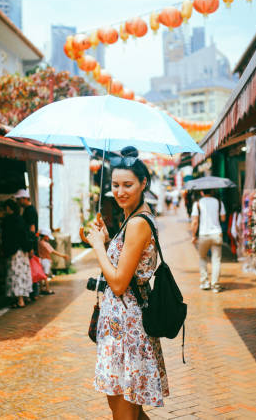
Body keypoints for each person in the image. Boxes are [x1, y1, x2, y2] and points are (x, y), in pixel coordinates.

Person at [84, 146, 168, 419]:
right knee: (128, 411)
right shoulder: (130, 218)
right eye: (115, 185)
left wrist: (97, 246)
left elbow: (119, 283)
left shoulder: (137, 223)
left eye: (128, 185)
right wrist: (107, 241)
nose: (120, 191)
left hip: (127, 330)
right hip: (122, 326)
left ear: (144, 183)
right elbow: (125, 269)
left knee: (123, 413)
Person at [191, 188, 226, 292]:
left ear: (202, 192)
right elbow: (223, 218)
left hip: (203, 234)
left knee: (202, 258)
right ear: (212, 192)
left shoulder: (197, 204)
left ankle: (205, 283)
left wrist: (193, 236)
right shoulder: (219, 202)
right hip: (216, 234)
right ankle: (215, 285)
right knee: (216, 260)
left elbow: (195, 222)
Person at [1, 199, 33, 308]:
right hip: (21, 251)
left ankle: (18, 300)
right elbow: (24, 235)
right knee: (22, 274)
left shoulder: (6, 221)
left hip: (12, 252)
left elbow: (5, 238)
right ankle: (23, 298)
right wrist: (29, 248)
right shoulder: (19, 219)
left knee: (14, 274)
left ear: (8, 208)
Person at [37, 228, 70, 293]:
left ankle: (41, 289)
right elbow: (53, 251)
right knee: (45, 276)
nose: (48, 238)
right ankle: (47, 289)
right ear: (45, 236)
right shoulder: (45, 244)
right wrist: (63, 256)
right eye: (48, 237)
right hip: (46, 261)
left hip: (40, 260)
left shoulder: (39, 242)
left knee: (41, 276)